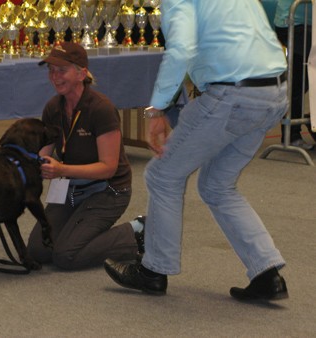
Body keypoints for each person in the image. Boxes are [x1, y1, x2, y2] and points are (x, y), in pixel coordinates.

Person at [104, 0, 290, 302]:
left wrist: (157, 109)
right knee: (217, 185)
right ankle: (267, 273)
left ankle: (153, 271)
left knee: (163, 175)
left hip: (233, 94)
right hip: (273, 92)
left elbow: (181, 50)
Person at [26, 42, 144, 270]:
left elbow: (108, 168)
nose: (54, 76)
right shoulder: (53, 108)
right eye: (51, 70)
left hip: (108, 190)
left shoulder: (101, 109)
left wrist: (61, 170)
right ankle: (79, 231)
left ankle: (138, 231)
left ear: (81, 73)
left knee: (67, 256)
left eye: (62, 70)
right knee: (39, 250)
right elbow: (41, 156)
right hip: (70, 188)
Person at [274, 0, 315, 149]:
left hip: (308, 24)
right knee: (299, 81)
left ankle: (303, 124)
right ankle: (292, 134)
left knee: (303, 80)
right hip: (294, 24)